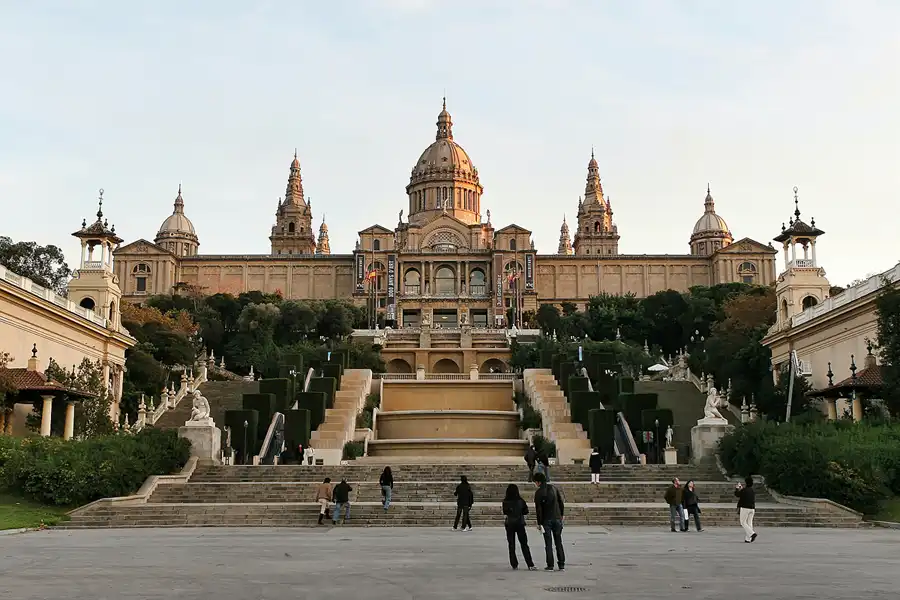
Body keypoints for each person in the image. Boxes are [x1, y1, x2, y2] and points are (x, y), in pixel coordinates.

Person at [533, 472, 565, 571]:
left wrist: (539, 523)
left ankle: (550, 565)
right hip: (557, 518)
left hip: (546, 520)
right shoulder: (554, 488)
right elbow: (560, 502)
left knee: (548, 543)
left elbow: (539, 509)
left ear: (538, 482)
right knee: (558, 542)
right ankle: (561, 564)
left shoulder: (538, 493)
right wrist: (562, 515)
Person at [502, 484, 536, 571]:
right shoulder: (521, 501)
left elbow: (505, 512)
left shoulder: (505, 501)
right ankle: (530, 564)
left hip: (509, 524)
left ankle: (514, 564)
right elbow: (526, 511)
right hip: (520, 524)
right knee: (524, 544)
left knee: (511, 545)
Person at [735, 476, 757, 543]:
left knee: (743, 522)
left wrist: (737, 489)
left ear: (746, 482)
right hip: (752, 509)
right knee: (749, 523)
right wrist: (741, 489)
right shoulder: (752, 490)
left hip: (745, 508)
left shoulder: (744, 490)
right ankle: (748, 539)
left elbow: (737, 494)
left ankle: (752, 534)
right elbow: (744, 493)